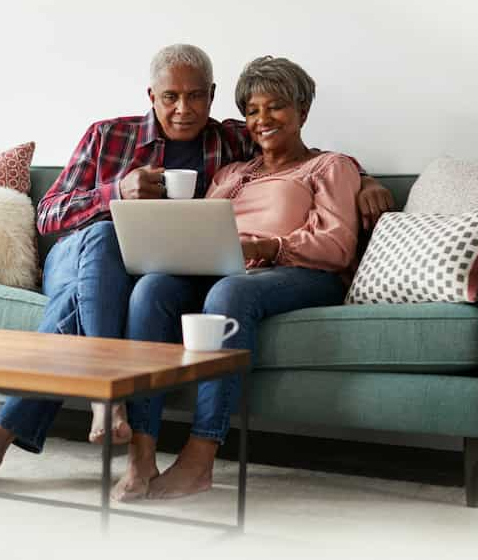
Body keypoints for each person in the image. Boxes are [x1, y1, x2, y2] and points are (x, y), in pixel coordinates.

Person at [0, 45, 392, 489]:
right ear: (151, 95)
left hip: (182, 268)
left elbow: (312, 159)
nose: (184, 109)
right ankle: (111, 400)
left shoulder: (231, 144)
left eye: (197, 96)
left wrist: (366, 179)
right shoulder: (112, 136)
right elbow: (47, 216)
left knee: (148, 288)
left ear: (212, 95)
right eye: (171, 98)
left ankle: (30, 433)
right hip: (81, 252)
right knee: (106, 244)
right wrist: (115, 194)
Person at [113, 55, 360, 501]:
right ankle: (142, 448)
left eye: (276, 107)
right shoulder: (230, 173)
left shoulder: (329, 167)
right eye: (252, 110)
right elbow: (201, 227)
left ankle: (200, 457)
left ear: (303, 112)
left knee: (230, 291)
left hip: (302, 274)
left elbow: (338, 245)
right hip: (228, 270)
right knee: (152, 288)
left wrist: (266, 247)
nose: (262, 119)